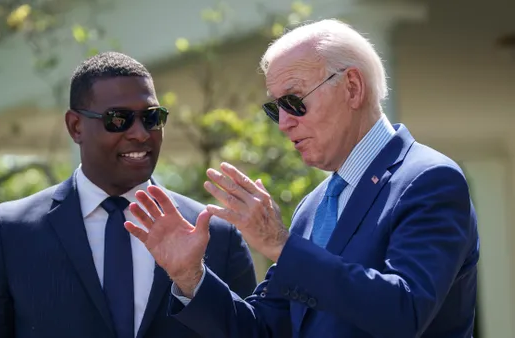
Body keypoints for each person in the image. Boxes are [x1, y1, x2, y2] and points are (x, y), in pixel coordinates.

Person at [124, 19, 480, 338]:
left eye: (293, 102)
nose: (282, 123)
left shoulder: (429, 179)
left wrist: (281, 244)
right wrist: (190, 276)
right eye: (274, 108)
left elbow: (405, 313)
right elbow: (265, 328)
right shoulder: (314, 205)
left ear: (352, 87)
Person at [0, 52, 257, 338]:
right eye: (118, 119)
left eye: (152, 117)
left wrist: (193, 279)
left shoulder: (216, 235)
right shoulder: (10, 233)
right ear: (76, 126)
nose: (140, 133)